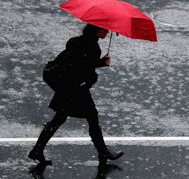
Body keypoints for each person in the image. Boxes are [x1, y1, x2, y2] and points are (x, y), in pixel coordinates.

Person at [28, 24, 124, 164]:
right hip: (75, 88)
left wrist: (98, 63)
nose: (107, 31)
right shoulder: (93, 47)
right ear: (97, 30)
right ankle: (103, 152)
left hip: (65, 85)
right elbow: (86, 70)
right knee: (92, 117)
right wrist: (100, 66)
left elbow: (79, 62)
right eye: (104, 28)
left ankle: (37, 150)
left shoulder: (76, 41)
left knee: (59, 118)